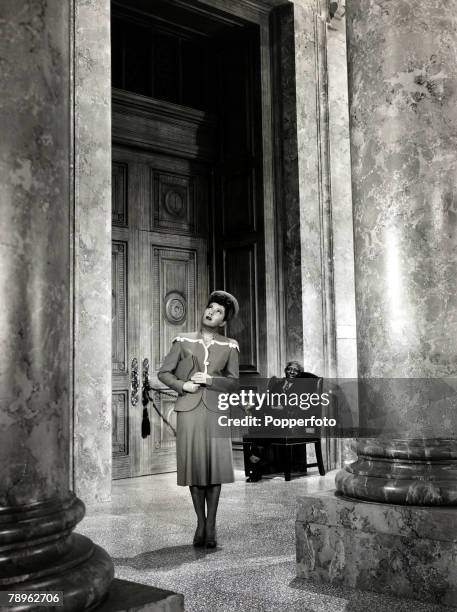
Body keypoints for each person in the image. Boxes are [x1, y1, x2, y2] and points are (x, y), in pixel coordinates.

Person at [158, 290, 240, 549]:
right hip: (190, 411)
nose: (211, 313)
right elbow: (164, 373)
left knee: (214, 470)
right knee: (195, 469)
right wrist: (184, 386)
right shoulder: (181, 340)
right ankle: (200, 523)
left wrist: (211, 380)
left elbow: (234, 383)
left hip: (216, 412)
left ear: (223, 321)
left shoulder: (230, 346)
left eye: (218, 312)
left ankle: (212, 525)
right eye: (210, 307)